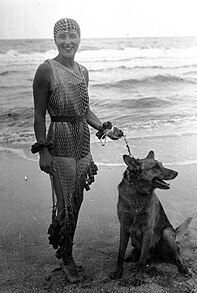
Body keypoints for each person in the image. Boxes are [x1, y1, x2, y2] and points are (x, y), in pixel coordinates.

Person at [32, 18, 122, 283]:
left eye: (73, 36)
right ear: (55, 40)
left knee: (78, 202)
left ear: (80, 38)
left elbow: (85, 110)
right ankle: (66, 258)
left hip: (82, 140)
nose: (68, 41)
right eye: (62, 37)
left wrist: (106, 129)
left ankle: (67, 250)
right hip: (58, 139)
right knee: (66, 205)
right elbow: (38, 116)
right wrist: (43, 152)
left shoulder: (83, 71)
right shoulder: (46, 70)